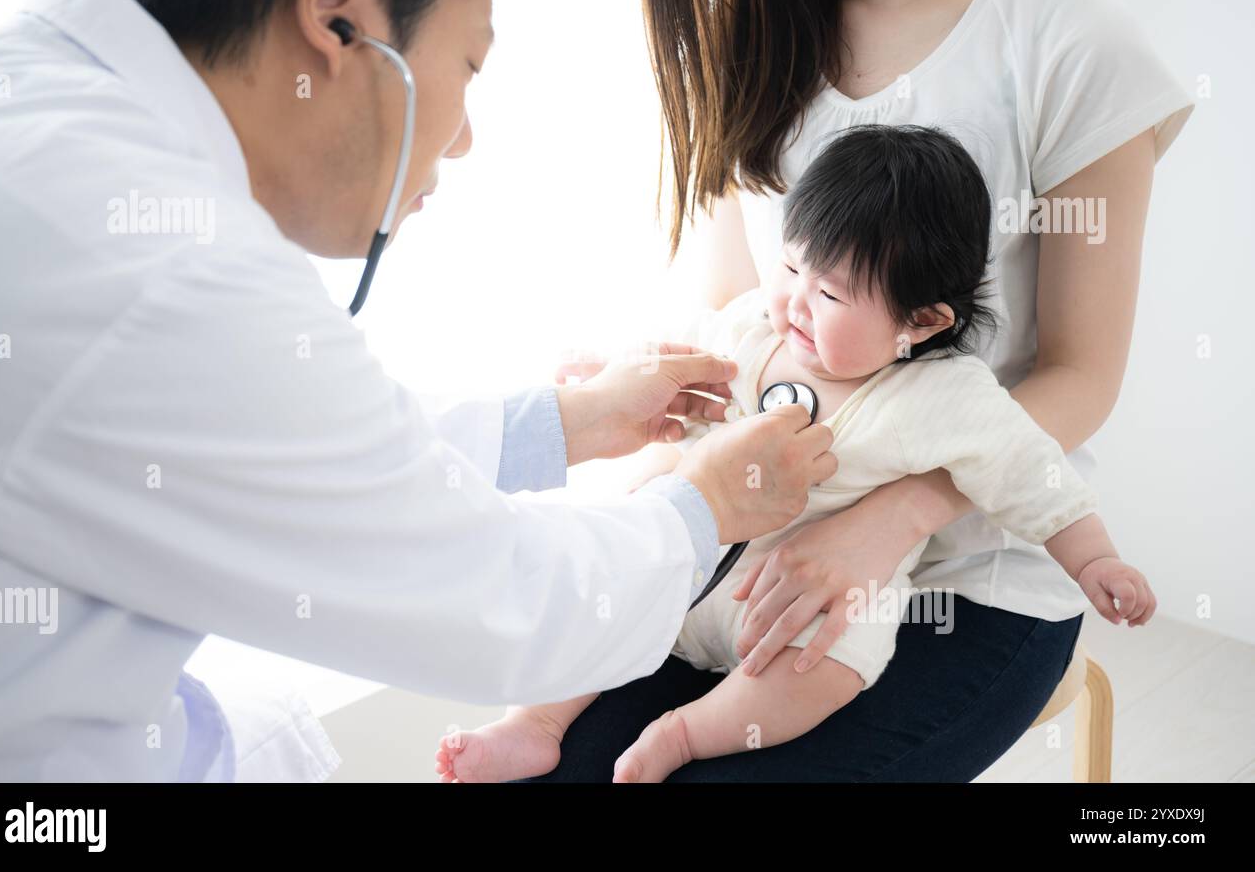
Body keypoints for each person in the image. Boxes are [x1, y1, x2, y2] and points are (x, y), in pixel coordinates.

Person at [0, 0, 837, 782]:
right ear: (338, 13)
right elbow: (496, 599)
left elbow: (272, 439)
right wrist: (704, 505)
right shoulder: (168, 273)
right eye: (467, 66)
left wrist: (568, 422)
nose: (461, 138)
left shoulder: (20, 93)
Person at [524, 0, 1193, 781]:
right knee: (554, 757)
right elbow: (730, 305)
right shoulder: (757, 11)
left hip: (972, 577)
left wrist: (892, 517)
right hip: (753, 542)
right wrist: (658, 409)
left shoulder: (1069, 37)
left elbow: (1082, 376)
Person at [439, 124, 1157, 783]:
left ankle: (687, 734)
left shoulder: (944, 398)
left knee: (835, 660)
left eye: (832, 295)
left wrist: (1096, 560)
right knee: (604, 587)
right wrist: (612, 373)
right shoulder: (757, 330)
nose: (794, 304)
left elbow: (1033, 475)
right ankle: (534, 721)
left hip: (807, 605)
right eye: (789, 267)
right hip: (695, 571)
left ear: (922, 321)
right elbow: (681, 360)